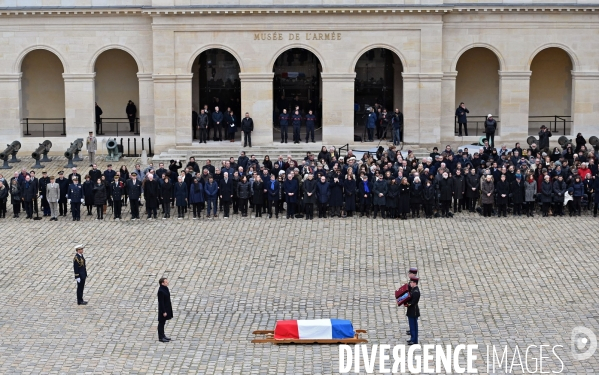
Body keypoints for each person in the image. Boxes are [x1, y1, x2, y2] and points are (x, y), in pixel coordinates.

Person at [157, 277, 173, 343]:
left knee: (163, 323)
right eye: (166, 282)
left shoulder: (165, 288)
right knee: (161, 323)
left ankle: (163, 335)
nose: (167, 283)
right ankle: (161, 337)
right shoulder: (161, 291)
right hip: (163, 310)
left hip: (167, 308)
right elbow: (161, 303)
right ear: (162, 283)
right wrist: (164, 311)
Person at [405, 276, 420, 345]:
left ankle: (414, 340)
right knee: (412, 326)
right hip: (411, 311)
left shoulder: (416, 291)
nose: (410, 283)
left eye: (411, 282)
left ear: (414, 283)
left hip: (413, 311)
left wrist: (407, 304)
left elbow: (413, 302)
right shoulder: (413, 289)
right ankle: (412, 338)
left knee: (413, 326)